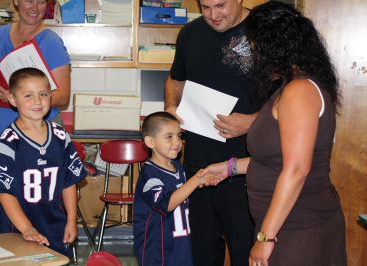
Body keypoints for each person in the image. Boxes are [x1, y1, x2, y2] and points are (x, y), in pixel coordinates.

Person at [202, 2, 347, 265]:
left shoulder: (300, 91)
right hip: (286, 227)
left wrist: (265, 238)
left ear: (274, 45)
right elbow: (275, 160)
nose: (255, 53)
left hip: (299, 229)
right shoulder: (288, 87)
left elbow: (297, 170)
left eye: (256, 45)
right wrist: (229, 167)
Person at [164, 0, 258, 264]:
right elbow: (175, 78)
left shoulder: (265, 31)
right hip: (198, 167)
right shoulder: (190, 33)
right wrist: (171, 106)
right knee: (201, 252)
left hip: (246, 168)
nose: (212, 15)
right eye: (205, 7)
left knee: (246, 251)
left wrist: (252, 121)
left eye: (220, 6)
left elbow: (288, 100)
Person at [0, 0, 71, 234]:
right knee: (0, 201)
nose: (34, 7)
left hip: (38, 138)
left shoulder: (50, 41)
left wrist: (20, 97)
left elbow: (63, 96)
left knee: (41, 201)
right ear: (16, 1)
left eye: (40, 1)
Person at [0, 68, 85, 257]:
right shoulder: (8, 143)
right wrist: (27, 228)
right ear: (13, 100)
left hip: (55, 224)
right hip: (18, 228)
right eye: (28, 95)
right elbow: (3, 192)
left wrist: (71, 219)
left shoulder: (60, 136)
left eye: (43, 94)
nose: (37, 101)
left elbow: (69, 181)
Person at [133, 112, 220, 266]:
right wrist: (195, 180)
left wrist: (202, 181)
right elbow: (166, 204)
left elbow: (183, 193)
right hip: (158, 249)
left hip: (180, 243)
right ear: (150, 142)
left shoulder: (178, 167)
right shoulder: (149, 174)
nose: (177, 142)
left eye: (179, 136)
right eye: (169, 137)